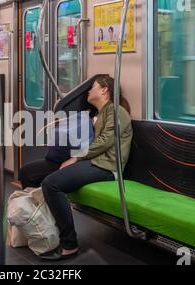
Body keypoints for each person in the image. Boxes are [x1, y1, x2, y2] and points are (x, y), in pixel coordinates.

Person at [38, 75, 132, 260]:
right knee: (32, 173)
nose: (89, 91)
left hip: (107, 167)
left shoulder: (117, 111)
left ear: (104, 90)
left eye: (93, 87)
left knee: (51, 184)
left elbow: (105, 142)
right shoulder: (99, 114)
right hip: (93, 162)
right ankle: (41, 230)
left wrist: (75, 157)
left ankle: (69, 244)